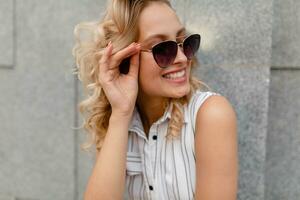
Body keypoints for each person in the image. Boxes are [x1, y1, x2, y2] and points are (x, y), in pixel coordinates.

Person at [72, 0, 238, 199]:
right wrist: (120, 115)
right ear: (125, 59)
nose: (183, 58)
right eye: (162, 49)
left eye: (185, 42)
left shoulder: (211, 115)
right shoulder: (122, 122)